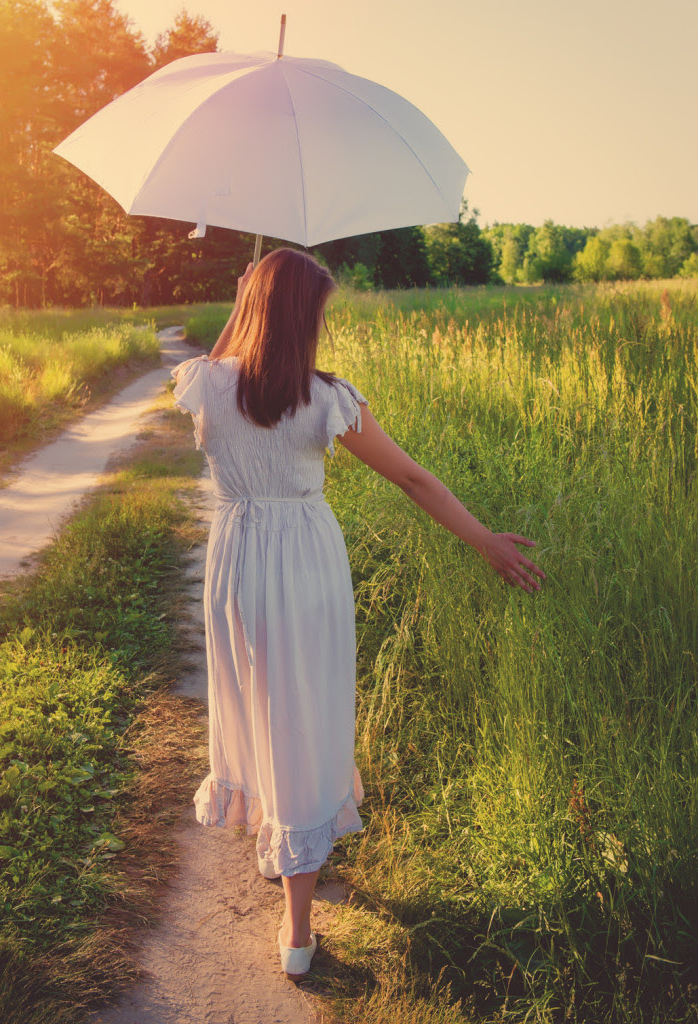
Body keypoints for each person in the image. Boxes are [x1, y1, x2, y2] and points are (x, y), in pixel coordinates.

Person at [171, 248, 544, 978]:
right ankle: (298, 932)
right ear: (306, 319)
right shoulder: (325, 396)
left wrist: (243, 299)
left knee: (256, 701)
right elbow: (410, 476)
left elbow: (221, 369)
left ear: (251, 304)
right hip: (305, 561)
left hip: (238, 562)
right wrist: (483, 540)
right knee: (301, 716)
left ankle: (286, 863)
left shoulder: (205, 383)